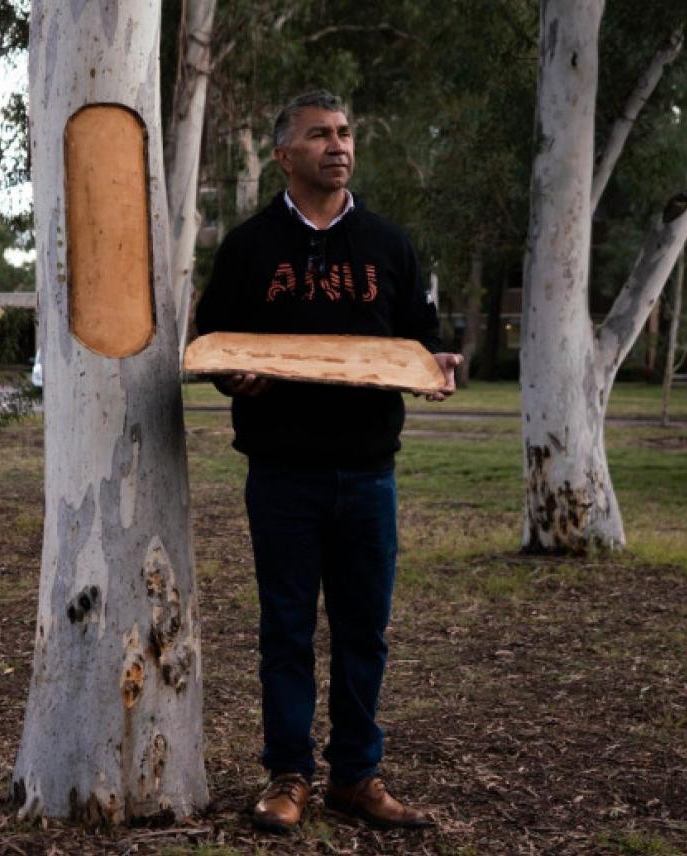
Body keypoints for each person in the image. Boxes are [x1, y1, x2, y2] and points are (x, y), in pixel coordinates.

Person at [193, 90, 462, 834]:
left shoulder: (388, 243)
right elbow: (216, 342)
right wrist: (231, 376)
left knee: (362, 631)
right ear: (285, 155)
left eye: (344, 133)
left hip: (369, 472)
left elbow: (419, 337)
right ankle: (288, 775)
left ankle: (355, 777)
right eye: (319, 136)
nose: (337, 146)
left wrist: (436, 363)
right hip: (282, 473)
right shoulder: (250, 247)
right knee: (285, 629)